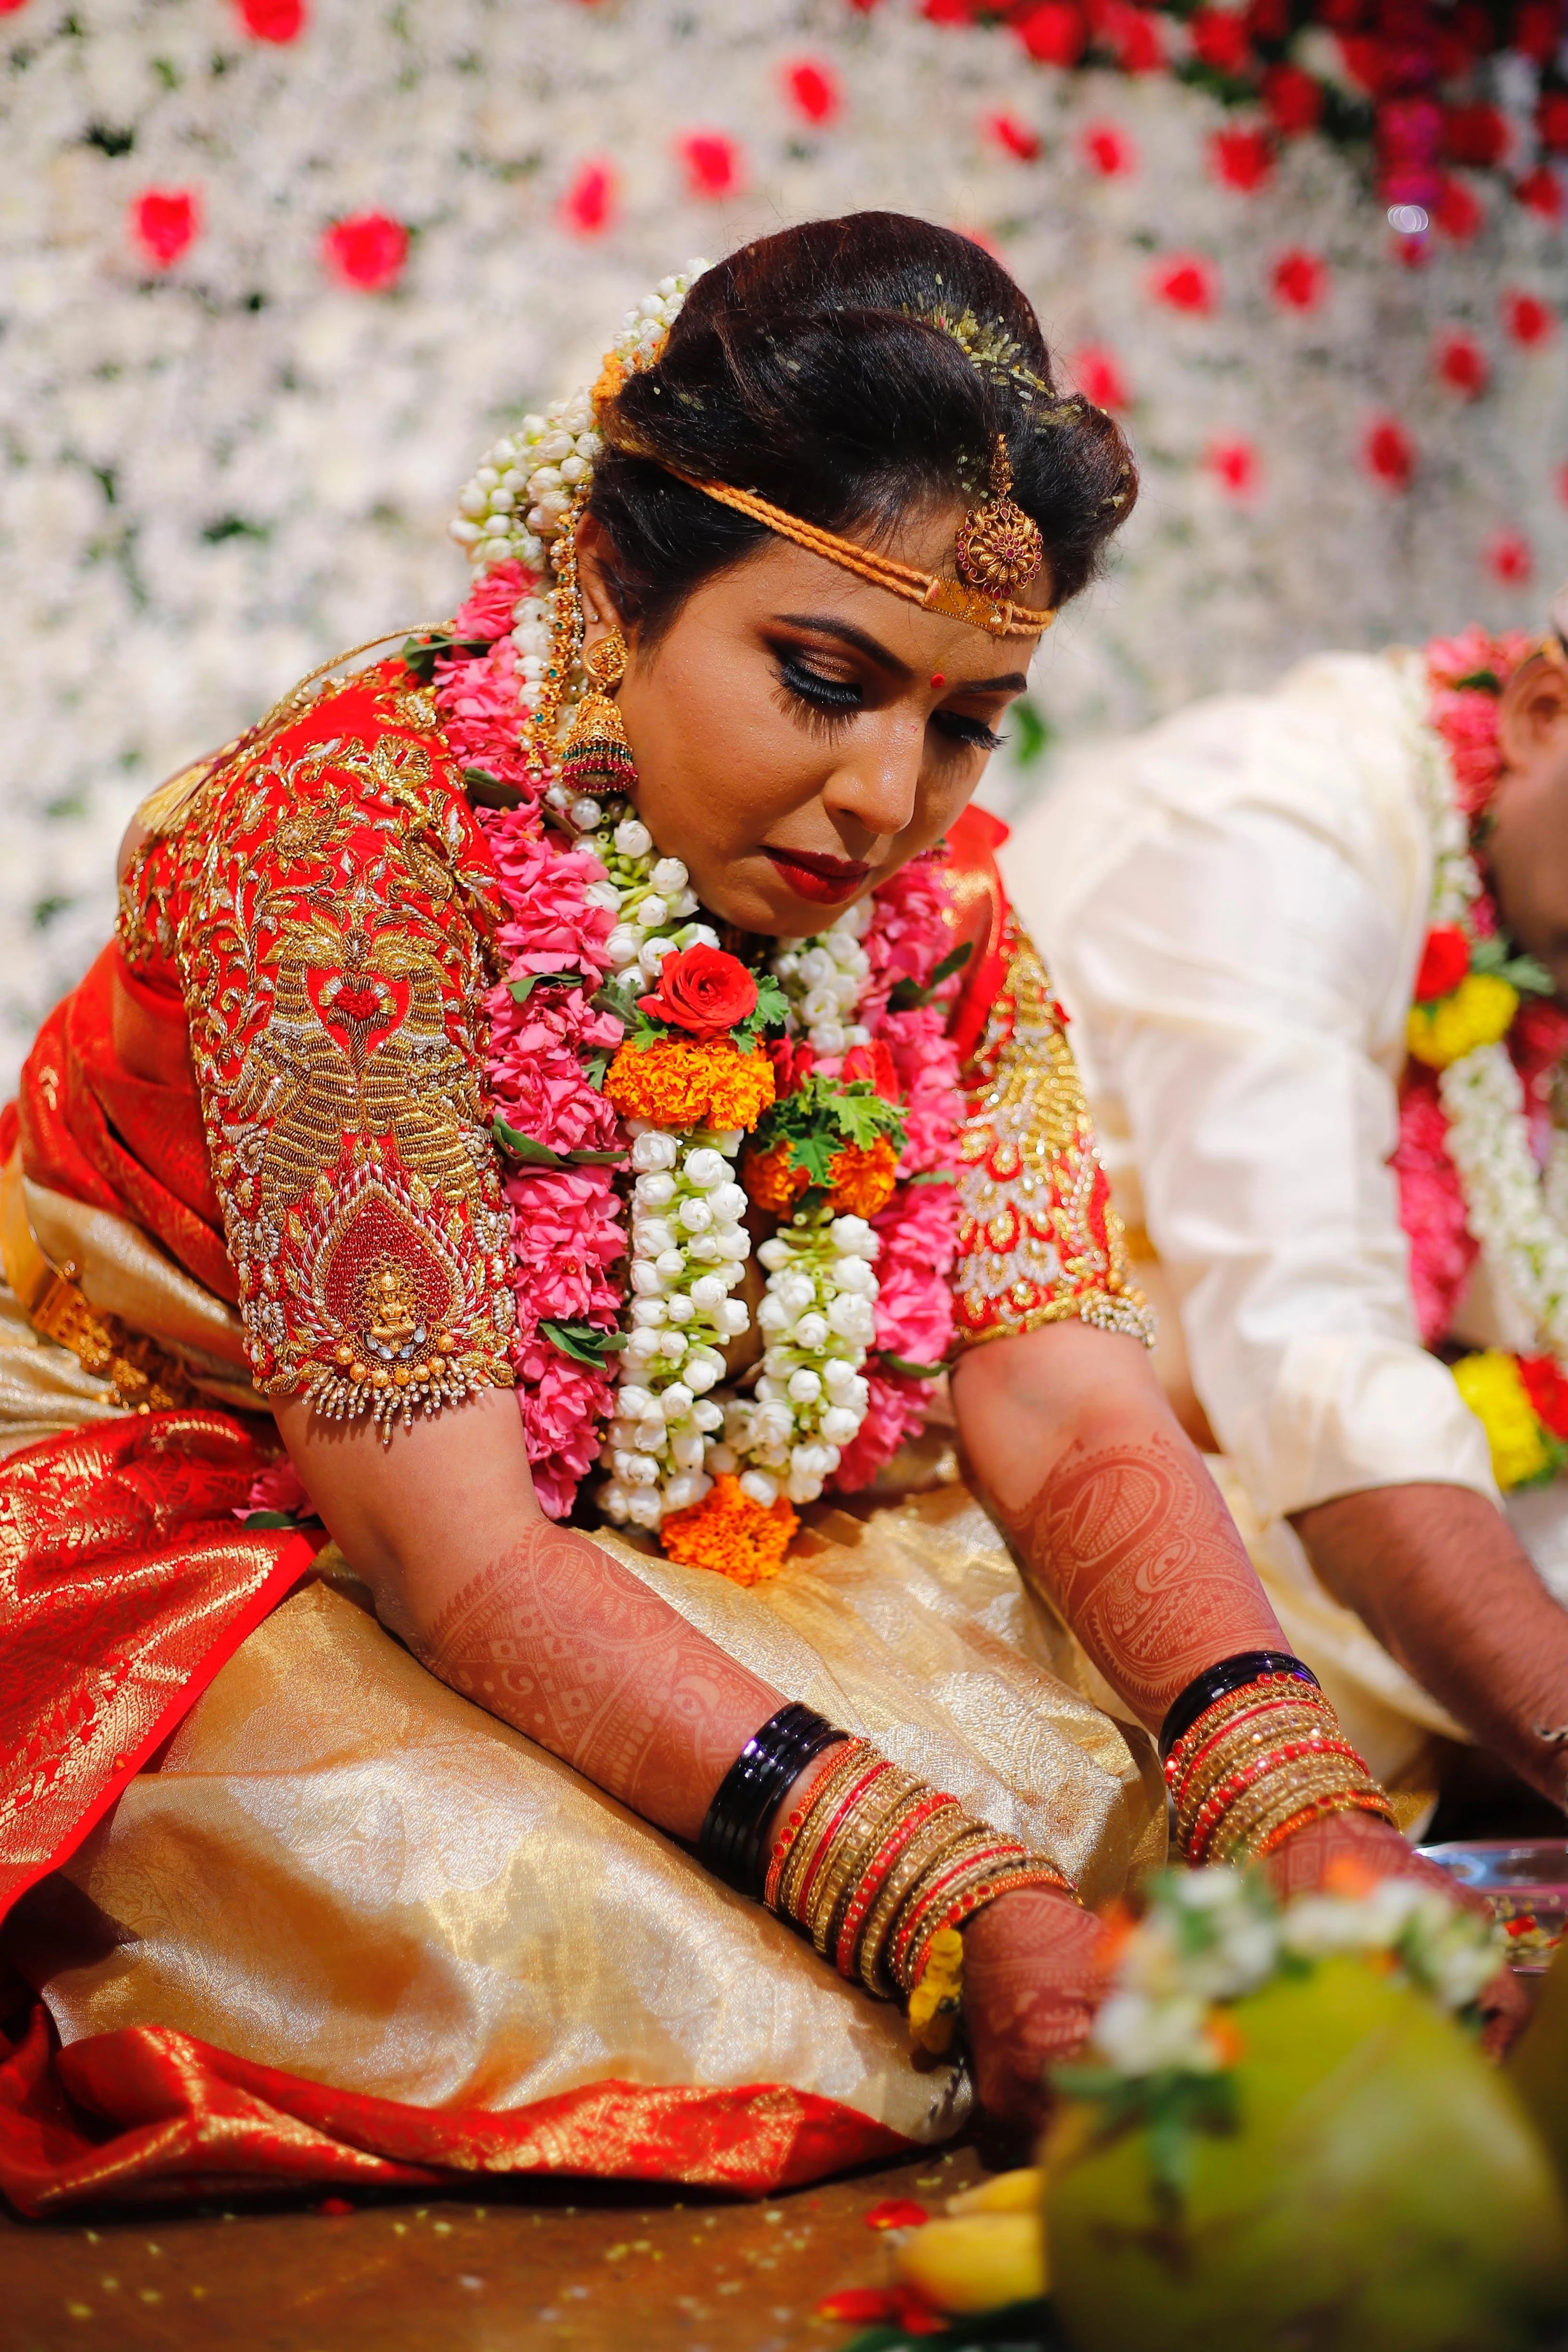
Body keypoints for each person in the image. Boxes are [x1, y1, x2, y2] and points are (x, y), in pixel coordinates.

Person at [0, 215, 1457, 2216]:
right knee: (495, 1927)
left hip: (666, 1505)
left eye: (962, 720)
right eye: (825, 677)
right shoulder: (343, 843)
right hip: (241, 1489)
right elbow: (454, 1544)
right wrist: (953, 1907)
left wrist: (1298, 1801)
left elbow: (1064, 1398)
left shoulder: (932, 907)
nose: (887, 798)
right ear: (614, 575)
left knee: (1212, 1767)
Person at [1008, 596, 1568, 1816]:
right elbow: (1311, 1363)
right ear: (1538, 713)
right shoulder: (1263, 829)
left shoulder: (1534, 905)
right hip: (1085, 1488)